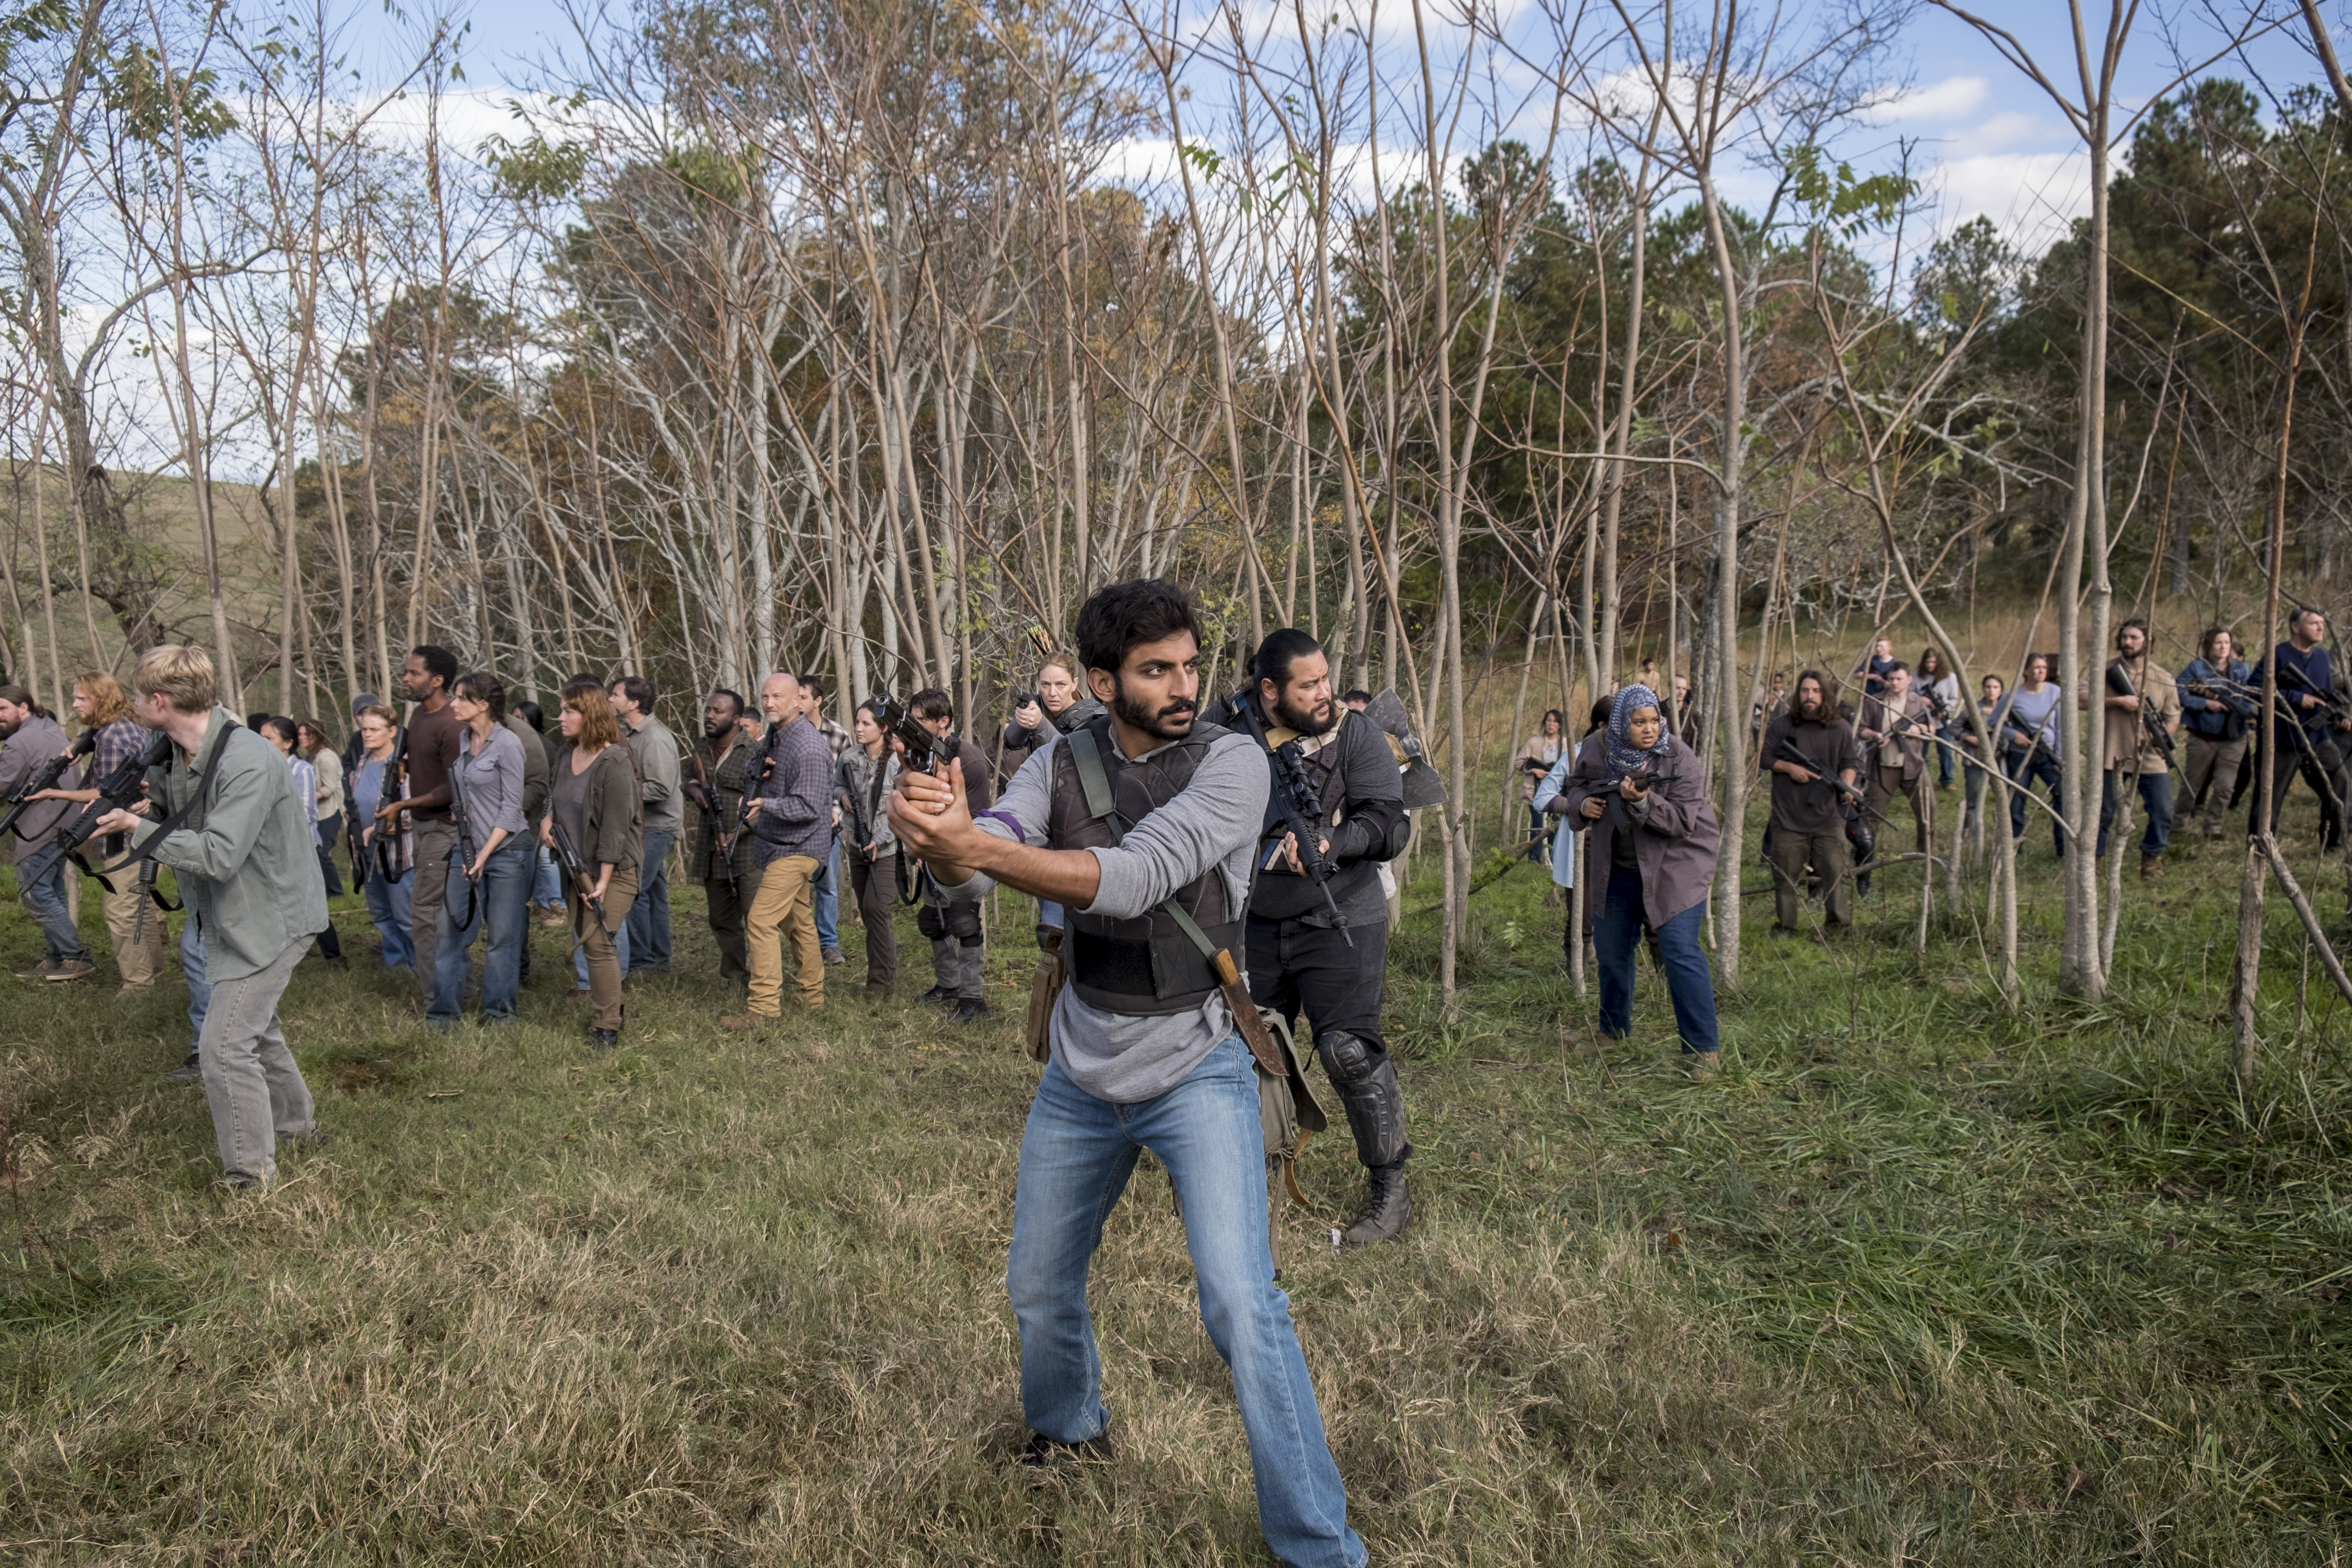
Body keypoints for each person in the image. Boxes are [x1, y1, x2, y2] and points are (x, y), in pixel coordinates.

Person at [885, 578, 1364, 1567]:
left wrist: (971, 846)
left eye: (1190, 664)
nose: (1183, 684)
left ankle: (1319, 1545)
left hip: (1198, 1066)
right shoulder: (1059, 760)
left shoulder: (1233, 763)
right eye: (1156, 671)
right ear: (1103, 682)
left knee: (1242, 1302)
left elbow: (1141, 875)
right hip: (1080, 1067)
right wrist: (941, 840)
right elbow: (986, 858)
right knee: (1038, 1286)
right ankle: (1069, 1435)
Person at [97, 646, 326, 1189]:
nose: (130, 704)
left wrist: (135, 827)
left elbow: (219, 855)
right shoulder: (179, 750)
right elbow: (185, 814)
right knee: (258, 1030)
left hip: (272, 918)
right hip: (230, 916)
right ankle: (298, 1126)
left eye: (135, 695)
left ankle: (250, 1178)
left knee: (223, 1048)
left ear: (159, 701)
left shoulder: (246, 758)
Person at [1233, 628, 1413, 1246]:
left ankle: (1391, 1189)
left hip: (1344, 917)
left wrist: (1337, 843)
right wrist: (1264, 850)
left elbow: (1389, 822)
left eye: (1326, 679)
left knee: (1348, 1050)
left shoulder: (1356, 734)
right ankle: (1242, 1180)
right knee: (1250, 1051)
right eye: (1308, 685)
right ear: (1268, 690)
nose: (1324, 693)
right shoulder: (1227, 735)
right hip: (1253, 919)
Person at [1548, 684, 1723, 1078]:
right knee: (1611, 952)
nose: (1648, 729)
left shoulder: (1677, 756)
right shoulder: (1597, 747)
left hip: (1676, 870)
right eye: (1638, 722)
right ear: (1619, 724)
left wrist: (1643, 802)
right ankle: (1612, 1032)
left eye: (1653, 721)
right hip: (1617, 867)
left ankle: (1703, 1050)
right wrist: (1583, 805)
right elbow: (1574, 786)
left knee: (1680, 952)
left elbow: (1682, 821)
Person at [20, 672, 165, 991]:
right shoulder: (112, 728)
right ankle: (154, 979)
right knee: (138, 908)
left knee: (122, 911)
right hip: (143, 831)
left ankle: (138, 988)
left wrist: (55, 794)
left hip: (128, 836)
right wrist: (76, 746)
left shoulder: (113, 736)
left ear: (101, 699)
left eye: (82, 698)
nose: (74, 704)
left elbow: (110, 794)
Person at [723, 672, 833, 1027]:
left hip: (800, 846)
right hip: (778, 844)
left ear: (799, 702)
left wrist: (765, 804)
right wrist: (762, 768)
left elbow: (810, 808)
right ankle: (812, 999)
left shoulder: (809, 746)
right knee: (798, 922)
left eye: (778, 697)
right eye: (765, 696)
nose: (770, 703)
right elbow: (754, 768)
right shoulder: (775, 736)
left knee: (760, 919)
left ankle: (764, 1008)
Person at [426, 673, 532, 1024]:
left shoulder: (508, 744)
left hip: (506, 853)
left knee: (502, 938)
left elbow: (512, 808)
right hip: (465, 848)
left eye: (461, 699)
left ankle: (500, 1015)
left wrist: (484, 856)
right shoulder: (463, 738)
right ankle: (443, 1016)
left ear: (483, 705)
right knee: (449, 931)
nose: (453, 704)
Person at [544, 678, 642, 1048]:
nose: (561, 717)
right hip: (575, 867)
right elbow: (553, 800)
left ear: (591, 714)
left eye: (569, 710)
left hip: (613, 870)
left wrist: (601, 881)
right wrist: (546, 821)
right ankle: (610, 1008)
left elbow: (617, 828)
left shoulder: (613, 759)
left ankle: (608, 1026)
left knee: (599, 942)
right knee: (588, 943)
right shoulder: (565, 754)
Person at [903, 688, 996, 1022]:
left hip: (964, 855)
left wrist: (941, 851)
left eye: (920, 721)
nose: (914, 727)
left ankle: (973, 999)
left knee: (965, 923)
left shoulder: (967, 761)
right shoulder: (921, 755)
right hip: (931, 851)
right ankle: (949, 985)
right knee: (933, 921)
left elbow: (974, 822)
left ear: (943, 722)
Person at [376, 645, 463, 1000]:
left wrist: (404, 804)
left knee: (425, 914)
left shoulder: (451, 723)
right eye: (406, 673)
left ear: (437, 680)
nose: (406, 679)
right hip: (426, 826)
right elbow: (428, 766)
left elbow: (453, 787)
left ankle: (439, 1001)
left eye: (414, 674)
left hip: (446, 829)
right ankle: (460, 991)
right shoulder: (418, 718)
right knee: (432, 914)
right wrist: (405, 767)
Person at [1001, 654, 1105, 946]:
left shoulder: (1094, 716)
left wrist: (1041, 728)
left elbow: (1075, 760)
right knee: (1051, 935)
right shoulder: (1039, 711)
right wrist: (1025, 721)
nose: (1052, 692)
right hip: (1045, 826)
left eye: (1060, 684)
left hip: (1082, 829)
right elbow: (1011, 744)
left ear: (1075, 683)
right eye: (1045, 684)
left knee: (1061, 931)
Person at [1758, 671, 1861, 933]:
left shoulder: (1840, 728)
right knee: (1786, 878)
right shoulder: (1783, 726)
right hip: (1788, 817)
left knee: (1835, 875)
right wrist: (1789, 768)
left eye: (1816, 691)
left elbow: (1849, 762)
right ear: (1798, 695)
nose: (1810, 696)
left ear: (1824, 694)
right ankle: (1787, 927)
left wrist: (1847, 784)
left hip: (1828, 817)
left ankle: (1838, 927)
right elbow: (1764, 757)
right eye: (1805, 691)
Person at [0, 685, 90, 982]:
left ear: (23, 708)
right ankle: (59, 959)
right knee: (51, 890)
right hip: (65, 821)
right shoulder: (48, 727)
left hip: (39, 825)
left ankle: (77, 957)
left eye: (3, 710)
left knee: (33, 891)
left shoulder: (19, 743)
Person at [2257, 608, 2352, 845]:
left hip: (2318, 736)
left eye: (2321, 623)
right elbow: (2255, 689)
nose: (2321, 627)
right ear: (2295, 626)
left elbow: (2327, 694)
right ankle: (2262, 846)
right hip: (2284, 738)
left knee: (2340, 781)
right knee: (2270, 798)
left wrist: (2338, 716)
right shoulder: (2278, 654)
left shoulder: (2320, 657)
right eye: (2313, 623)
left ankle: (2333, 842)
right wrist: (2296, 698)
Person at [684, 688, 758, 988]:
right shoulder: (701, 746)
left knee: (756, 919)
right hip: (710, 847)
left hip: (748, 849)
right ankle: (735, 975)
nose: (710, 716)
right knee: (721, 918)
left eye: (719, 712)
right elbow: (691, 779)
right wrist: (694, 792)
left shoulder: (754, 753)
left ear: (737, 719)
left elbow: (763, 806)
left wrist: (734, 834)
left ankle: (763, 979)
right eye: (708, 710)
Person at [2095, 618, 2182, 875]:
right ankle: (2096, 864)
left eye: (2134, 638)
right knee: (2102, 814)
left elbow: (2173, 716)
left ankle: (2151, 862)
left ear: (2148, 642)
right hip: (2111, 753)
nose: (2128, 642)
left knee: (2164, 811)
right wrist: (2118, 701)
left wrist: (2163, 738)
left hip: (2148, 756)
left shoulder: (2163, 677)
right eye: (2124, 637)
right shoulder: (2105, 670)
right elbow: (2081, 698)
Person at [610, 674, 682, 978]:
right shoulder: (629, 733)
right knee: (653, 895)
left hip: (657, 826)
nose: (611, 699)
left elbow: (661, 789)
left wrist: (617, 793)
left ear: (634, 703)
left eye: (615, 695)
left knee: (633, 891)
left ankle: (641, 962)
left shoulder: (654, 737)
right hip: (645, 827)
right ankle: (659, 961)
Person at [261, 717, 345, 969]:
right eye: (260, 737)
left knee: (311, 906)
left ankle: (334, 958)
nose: (262, 742)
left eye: (269, 738)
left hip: (298, 849)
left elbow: (306, 813)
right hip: (268, 849)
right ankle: (275, 960)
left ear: (288, 743)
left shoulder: (302, 771)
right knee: (272, 904)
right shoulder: (261, 769)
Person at [837, 700, 903, 998]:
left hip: (886, 849)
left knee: (877, 908)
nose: (859, 728)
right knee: (866, 909)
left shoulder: (896, 763)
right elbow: (835, 785)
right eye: (858, 722)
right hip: (857, 845)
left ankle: (881, 982)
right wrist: (842, 798)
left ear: (884, 728)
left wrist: (883, 838)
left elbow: (904, 807)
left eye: (866, 724)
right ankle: (879, 973)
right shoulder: (849, 756)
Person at [1857, 661, 1934, 886]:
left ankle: (1927, 858)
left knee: (1928, 812)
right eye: (1891, 679)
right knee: (1872, 816)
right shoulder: (1875, 701)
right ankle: (1863, 863)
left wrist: (1916, 730)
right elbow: (1861, 729)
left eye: (1900, 679)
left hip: (1914, 766)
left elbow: (1931, 730)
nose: (1895, 683)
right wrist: (1875, 734)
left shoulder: (1917, 702)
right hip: (1883, 768)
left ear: (1909, 680)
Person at [350, 703, 413, 971]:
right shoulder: (363, 762)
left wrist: (385, 825)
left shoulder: (403, 766)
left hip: (397, 854)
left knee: (406, 915)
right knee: (381, 912)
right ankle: (397, 962)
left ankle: (421, 965)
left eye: (374, 729)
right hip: (368, 854)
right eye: (364, 729)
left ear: (392, 731)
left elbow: (410, 808)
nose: (367, 734)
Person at [2178, 627, 2255, 839]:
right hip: (2203, 735)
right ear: (2209, 646)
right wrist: (2205, 703)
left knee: (2225, 787)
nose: (2223, 647)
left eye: (2227, 643)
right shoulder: (2197, 668)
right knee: (2192, 785)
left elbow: (2251, 696)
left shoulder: (2241, 669)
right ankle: (2177, 824)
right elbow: (2177, 691)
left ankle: (2213, 828)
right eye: (2218, 643)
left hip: (2234, 737)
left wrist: (2252, 716)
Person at [799, 672, 853, 966]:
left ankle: (828, 945)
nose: (797, 702)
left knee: (827, 884)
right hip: (793, 824)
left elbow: (843, 782)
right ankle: (797, 942)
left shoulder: (839, 735)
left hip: (827, 824)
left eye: (803, 697)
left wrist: (836, 811)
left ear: (818, 701)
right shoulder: (784, 733)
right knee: (791, 884)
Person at [2002, 654, 2065, 854]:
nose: (2041, 671)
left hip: (2049, 756)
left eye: (2045, 668)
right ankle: (2014, 849)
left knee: (2063, 795)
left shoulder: (2056, 693)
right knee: (2016, 801)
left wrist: (2060, 758)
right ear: (2026, 671)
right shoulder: (2012, 695)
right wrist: (2014, 735)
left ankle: (2063, 848)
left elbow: (2062, 727)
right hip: (2021, 755)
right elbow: (1995, 722)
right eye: (2037, 667)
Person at [295, 721, 348, 894]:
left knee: (321, 852)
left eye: (307, 734)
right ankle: (320, 890)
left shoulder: (326, 757)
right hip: (316, 813)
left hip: (330, 812)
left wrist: (305, 797)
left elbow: (329, 788)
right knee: (314, 852)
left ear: (317, 735)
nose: (302, 738)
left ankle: (335, 891)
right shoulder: (310, 756)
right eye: (300, 734)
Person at [1513, 709, 1566, 856]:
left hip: (1558, 792)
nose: (1551, 724)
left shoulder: (1565, 744)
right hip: (1535, 790)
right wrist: (1534, 771)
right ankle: (1534, 861)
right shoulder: (1534, 742)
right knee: (1538, 826)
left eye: (1555, 721)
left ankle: (1554, 862)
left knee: (1555, 825)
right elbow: (1519, 762)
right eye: (1549, 720)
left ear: (1560, 725)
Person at [1960, 674, 2005, 839]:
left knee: (2004, 798)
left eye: (1995, 687)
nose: (1991, 691)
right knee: (1973, 798)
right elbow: (1953, 728)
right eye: (1988, 687)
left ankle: (2004, 833)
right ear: (1983, 689)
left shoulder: (2007, 709)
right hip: (1975, 759)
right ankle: (1970, 834)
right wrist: (1967, 737)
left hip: (2000, 760)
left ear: (2001, 690)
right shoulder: (1973, 708)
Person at [1918, 647, 1961, 790]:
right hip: (1922, 722)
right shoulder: (1917, 677)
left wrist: (1945, 710)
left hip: (1942, 723)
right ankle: (1923, 780)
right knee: (1920, 752)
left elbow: (1954, 699)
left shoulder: (1950, 677)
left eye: (1934, 662)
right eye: (1927, 662)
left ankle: (1947, 780)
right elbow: (1909, 695)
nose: (1930, 665)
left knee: (1946, 751)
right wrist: (1921, 699)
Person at [1857, 636, 1896, 701]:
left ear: (1889, 648)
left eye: (1881, 647)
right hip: (1869, 697)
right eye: (1877, 646)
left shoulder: (1895, 664)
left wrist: (1890, 685)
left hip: (1887, 698)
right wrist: (1872, 676)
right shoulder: (1870, 660)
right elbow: (1857, 674)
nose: (1878, 649)